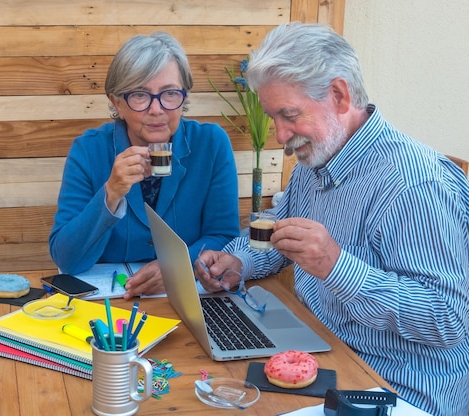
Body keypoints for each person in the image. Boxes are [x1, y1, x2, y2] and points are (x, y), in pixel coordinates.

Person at [195, 23, 469, 416]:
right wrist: (240, 261)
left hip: (397, 389)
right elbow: (283, 226)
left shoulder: (415, 184)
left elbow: (449, 319)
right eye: (274, 117)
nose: (278, 136)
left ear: (339, 95)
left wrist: (337, 267)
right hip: (322, 355)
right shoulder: (319, 154)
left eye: (288, 115)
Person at [49, 31, 240, 298]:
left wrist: (176, 267)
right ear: (117, 102)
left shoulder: (211, 143)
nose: (156, 109)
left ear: (184, 97)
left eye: (170, 93)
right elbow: (67, 259)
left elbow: (224, 236)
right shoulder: (89, 149)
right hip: (113, 304)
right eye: (140, 95)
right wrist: (111, 193)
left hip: (188, 298)